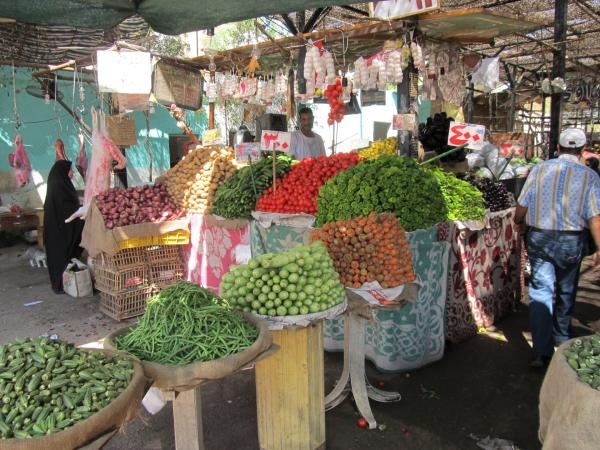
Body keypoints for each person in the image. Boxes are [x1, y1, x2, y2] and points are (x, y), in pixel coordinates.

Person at [515, 128, 600, 369]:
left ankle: (541, 353)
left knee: (541, 291)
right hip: (571, 241)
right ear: (583, 151)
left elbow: (522, 204)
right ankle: (562, 343)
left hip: (540, 237)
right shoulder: (590, 176)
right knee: (566, 289)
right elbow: (595, 217)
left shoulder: (541, 168)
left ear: (559, 148)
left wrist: (518, 220)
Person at [43, 159, 84, 294]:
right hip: (60, 230)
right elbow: (65, 208)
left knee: (60, 256)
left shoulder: (58, 182)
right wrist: (80, 210)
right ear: (63, 171)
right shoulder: (58, 185)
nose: (72, 173)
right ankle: (62, 283)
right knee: (61, 255)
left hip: (57, 229)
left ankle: (64, 283)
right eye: (70, 170)